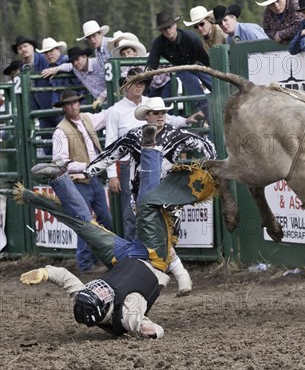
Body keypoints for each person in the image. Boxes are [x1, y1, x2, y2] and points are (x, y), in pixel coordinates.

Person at [17, 144, 216, 338]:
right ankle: (152, 151)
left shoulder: (86, 298)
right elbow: (150, 328)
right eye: (100, 295)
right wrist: (149, 329)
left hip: (121, 260)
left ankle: (60, 177)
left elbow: (65, 278)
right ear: (105, 308)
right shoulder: (129, 314)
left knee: (84, 226)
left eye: (93, 290)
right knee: (146, 206)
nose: (98, 288)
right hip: (152, 259)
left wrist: (45, 272)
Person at [92, 94, 213, 295]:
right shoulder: (133, 136)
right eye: (156, 113)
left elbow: (205, 145)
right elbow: (109, 155)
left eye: (163, 112)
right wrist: (88, 171)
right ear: (147, 115)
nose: (161, 116)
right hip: (141, 195)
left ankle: (163, 274)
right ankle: (176, 275)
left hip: (167, 195)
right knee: (154, 235)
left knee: (163, 236)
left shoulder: (175, 134)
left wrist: (213, 166)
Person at [104, 67, 200, 243]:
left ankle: (158, 249)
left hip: (156, 162)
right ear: (126, 86)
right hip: (130, 164)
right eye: (135, 83)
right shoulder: (115, 111)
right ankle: (135, 253)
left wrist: (185, 121)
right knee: (131, 211)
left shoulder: (151, 103)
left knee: (159, 205)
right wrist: (112, 175)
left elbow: (168, 119)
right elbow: (111, 143)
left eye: (142, 83)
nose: (139, 86)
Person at [52, 90, 113, 274]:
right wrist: (85, 165)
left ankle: (100, 258)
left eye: (76, 102)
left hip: (91, 177)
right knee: (86, 221)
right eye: (69, 104)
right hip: (78, 180)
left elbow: (105, 115)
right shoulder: (60, 131)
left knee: (103, 218)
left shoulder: (86, 119)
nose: (74, 106)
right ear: (64, 108)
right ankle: (86, 263)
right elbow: (59, 161)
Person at [147, 11, 212, 118]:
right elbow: (151, 65)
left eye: (170, 27)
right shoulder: (158, 44)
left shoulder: (191, 38)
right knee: (200, 100)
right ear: (161, 31)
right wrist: (144, 85)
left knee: (218, 88)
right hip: (182, 69)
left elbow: (205, 59)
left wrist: (211, 72)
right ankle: (215, 128)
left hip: (199, 64)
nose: (168, 31)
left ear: (175, 25)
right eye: (164, 29)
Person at [12, 36, 58, 154]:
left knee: (64, 140)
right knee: (47, 146)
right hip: (41, 112)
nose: (23, 49)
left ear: (33, 47)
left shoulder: (44, 59)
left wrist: (56, 102)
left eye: (26, 46)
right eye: (20, 48)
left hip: (56, 108)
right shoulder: (23, 68)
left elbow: (55, 81)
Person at [42, 46, 107, 109]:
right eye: (72, 61)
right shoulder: (76, 68)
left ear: (84, 56)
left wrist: (102, 97)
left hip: (112, 97)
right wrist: (57, 69)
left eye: (77, 59)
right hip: (100, 103)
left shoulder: (98, 64)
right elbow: (68, 66)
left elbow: (114, 81)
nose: (75, 63)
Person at [37, 37, 83, 106]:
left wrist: (58, 68)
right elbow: (55, 89)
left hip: (79, 102)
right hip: (68, 104)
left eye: (51, 50)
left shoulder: (68, 60)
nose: (49, 54)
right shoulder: (50, 67)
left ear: (58, 50)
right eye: (46, 52)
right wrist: (55, 104)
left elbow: (77, 65)